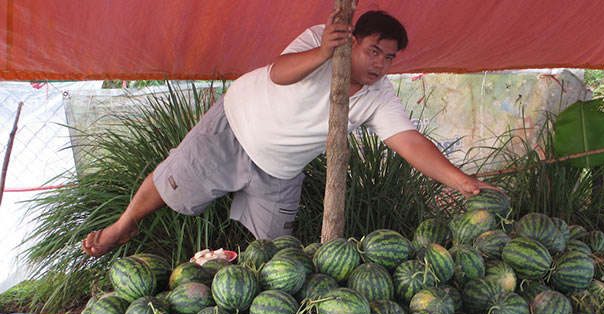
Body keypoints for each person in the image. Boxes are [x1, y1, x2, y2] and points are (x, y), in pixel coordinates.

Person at [82, 9, 495, 257]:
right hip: (234, 127)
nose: (380, 64)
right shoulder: (322, 38)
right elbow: (280, 72)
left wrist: (461, 180)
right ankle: (125, 224)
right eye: (373, 51)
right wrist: (323, 53)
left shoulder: (378, 96)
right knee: (174, 180)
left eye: (388, 58)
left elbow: (408, 141)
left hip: (279, 170)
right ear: (352, 42)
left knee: (278, 255)